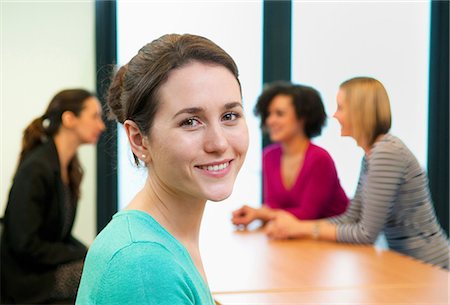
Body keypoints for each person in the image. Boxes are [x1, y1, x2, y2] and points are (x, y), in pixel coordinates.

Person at [75, 33, 249, 305]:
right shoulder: (144, 265)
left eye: (230, 116)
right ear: (138, 139)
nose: (218, 142)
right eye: (190, 121)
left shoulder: (159, 238)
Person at [265, 77, 450, 269]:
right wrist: (298, 228)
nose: (335, 115)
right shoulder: (371, 155)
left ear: (360, 111)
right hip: (406, 263)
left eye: (341, 108)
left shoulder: (386, 153)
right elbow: (350, 218)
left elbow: (366, 234)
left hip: (430, 266)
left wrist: (301, 228)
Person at [0, 89, 106, 304]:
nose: (101, 125)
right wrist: (81, 255)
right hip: (25, 279)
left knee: (102, 268)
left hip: (43, 268)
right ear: (69, 119)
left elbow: (59, 238)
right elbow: (25, 245)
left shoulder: (70, 169)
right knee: (98, 277)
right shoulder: (37, 168)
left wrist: (90, 251)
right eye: (94, 116)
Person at [232, 82, 348, 228]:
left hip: (337, 243)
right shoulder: (269, 156)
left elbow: (307, 215)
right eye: (269, 114)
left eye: (279, 114)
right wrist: (255, 214)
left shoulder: (320, 158)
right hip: (299, 240)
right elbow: (273, 206)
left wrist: (260, 213)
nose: (270, 120)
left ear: (302, 117)